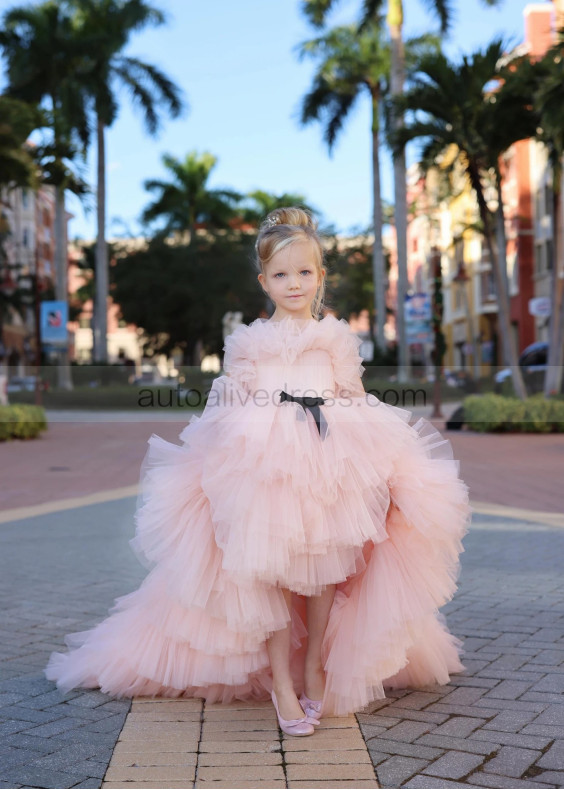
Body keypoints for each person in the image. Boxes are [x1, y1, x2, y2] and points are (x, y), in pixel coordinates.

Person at [44, 206, 472, 738]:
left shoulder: (336, 336)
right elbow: (229, 402)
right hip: (264, 465)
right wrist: (214, 463)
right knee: (269, 571)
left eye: (305, 272)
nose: (294, 284)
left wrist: (386, 462)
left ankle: (314, 662)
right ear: (263, 280)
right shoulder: (248, 340)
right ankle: (281, 682)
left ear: (320, 276)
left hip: (327, 457)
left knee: (324, 566)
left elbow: (354, 399)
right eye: (281, 274)